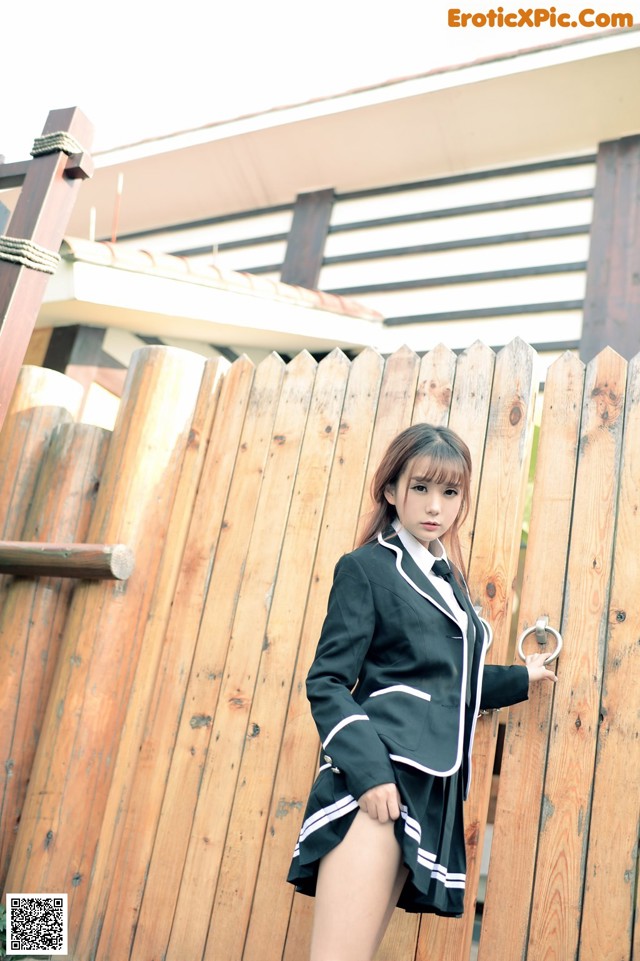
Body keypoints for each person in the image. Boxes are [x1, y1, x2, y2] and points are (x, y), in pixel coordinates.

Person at [287, 423, 556, 961]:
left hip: (430, 786)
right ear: (391, 490)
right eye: (420, 488)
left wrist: (522, 678)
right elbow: (327, 681)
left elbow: (445, 683)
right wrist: (370, 774)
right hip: (379, 782)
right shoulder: (365, 569)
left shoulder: (447, 579)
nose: (435, 505)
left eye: (450, 492)